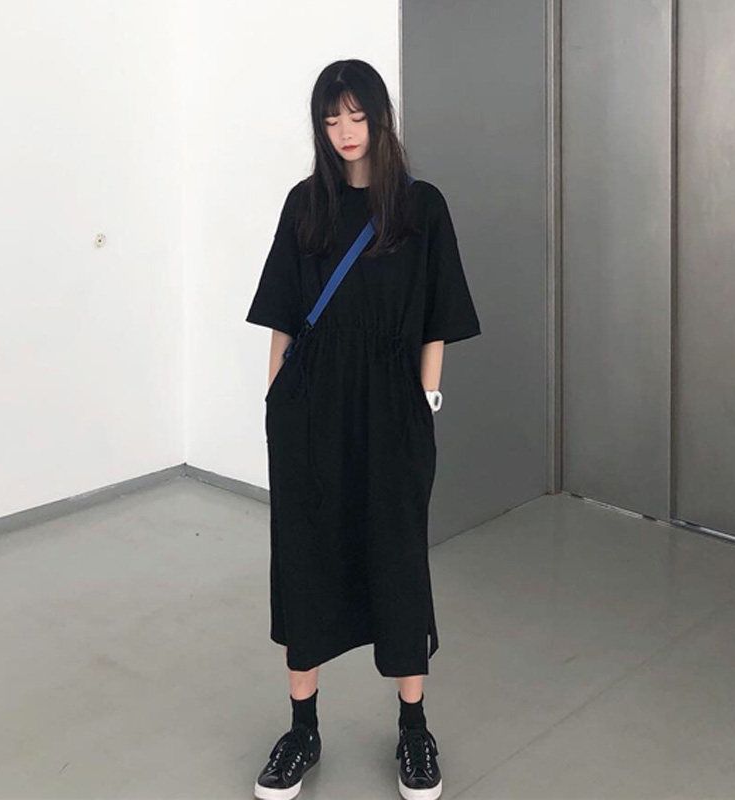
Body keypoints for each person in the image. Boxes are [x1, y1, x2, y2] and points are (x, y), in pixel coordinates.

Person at [246, 58, 481, 800]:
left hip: (392, 405)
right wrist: (276, 402)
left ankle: (414, 729)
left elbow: (437, 316)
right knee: (305, 557)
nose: (345, 132)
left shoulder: (421, 207)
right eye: (330, 119)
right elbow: (283, 314)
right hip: (310, 407)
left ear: (381, 117)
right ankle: (302, 729)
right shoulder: (305, 205)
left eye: (356, 115)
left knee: (398, 557)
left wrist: (427, 399)